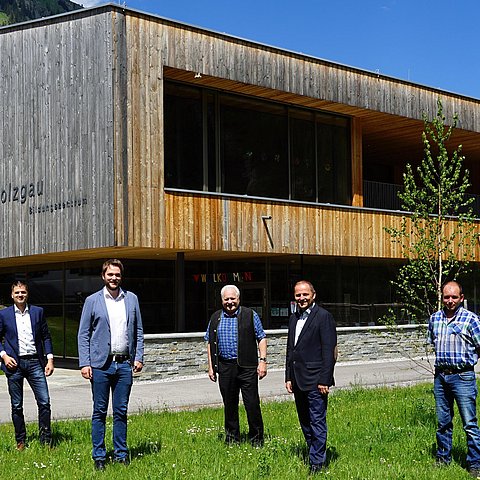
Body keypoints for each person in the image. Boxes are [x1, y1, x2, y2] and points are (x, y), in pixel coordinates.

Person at [78, 259, 144, 471]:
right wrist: (85, 363)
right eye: (110, 274)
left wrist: (139, 356)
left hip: (124, 364)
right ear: (103, 276)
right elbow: (83, 333)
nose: (114, 278)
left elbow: (139, 331)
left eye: (117, 275)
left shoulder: (131, 299)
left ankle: (121, 454)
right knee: (99, 411)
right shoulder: (92, 301)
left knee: (121, 412)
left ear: (121, 277)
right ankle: (99, 456)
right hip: (100, 365)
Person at [428, 280, 480, 477]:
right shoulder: (434, 319)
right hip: (441, 377)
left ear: (461, 298)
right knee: (443, 422)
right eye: (446, 297)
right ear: (442, 297)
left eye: (454, 297)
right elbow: (433, 342)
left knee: (469, 423)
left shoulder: (471, 320)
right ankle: (443, 458)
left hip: (463, 377)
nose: (450, 301)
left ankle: (475, 463)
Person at [285, 280, 337, 474]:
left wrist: (325, 379)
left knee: (317, 420)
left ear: (313, 295)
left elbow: (328, 351)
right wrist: (288, 376)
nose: (301, 298)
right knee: (305, 421)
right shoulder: (293, 318)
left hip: (316, 381)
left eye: (305, 294)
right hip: (298, 379)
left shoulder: (324, 317)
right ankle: (313, 451)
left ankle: (317, 463)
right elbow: (291, 350)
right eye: (298, 295)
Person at [205, 284, 267, 446]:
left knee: (252, 403)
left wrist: (263, 361)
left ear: (238, 299)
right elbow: (210, 343)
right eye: (227, 299)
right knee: (229, 404)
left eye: (233, 298)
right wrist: (211, 367)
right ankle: (232, 438)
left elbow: (261, 338)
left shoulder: (250, 315)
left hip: (247, 367)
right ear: (222, 300)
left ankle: (257, 439)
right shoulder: (215, 318)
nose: (230, 302)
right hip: (225, 367)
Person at [0, 281, 54, 450]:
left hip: (35, 362)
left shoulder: (38, 312)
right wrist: (3, 356)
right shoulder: (4, 314)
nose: (20, 295)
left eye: (23, 292)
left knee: (44, 402)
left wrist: (50, 359)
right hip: (13, 364)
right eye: (17, 293)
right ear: (12, 295)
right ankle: (21, 441)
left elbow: (46, 336)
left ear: (27, 294)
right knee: (17, 405)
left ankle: (46, 440)